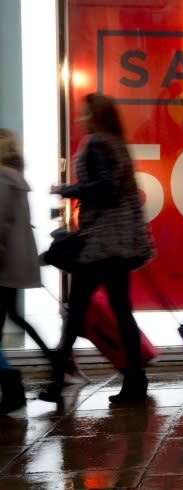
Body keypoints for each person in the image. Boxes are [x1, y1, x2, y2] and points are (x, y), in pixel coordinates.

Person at [40, 94, 154, 405]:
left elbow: (105, 189)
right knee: (115, 312)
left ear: (96, 116)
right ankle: (135, 380)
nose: (80, 119)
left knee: (77, 312)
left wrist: (66, 190)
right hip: (116, 244)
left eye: (84, 114)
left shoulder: (98, 144)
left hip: (101, 245)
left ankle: (59, 380)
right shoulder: (117, 144)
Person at [0, 128, 45, 414]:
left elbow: (0, 226)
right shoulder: (16, 177)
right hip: (11, 266)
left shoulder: (4, 179)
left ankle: (12, 384)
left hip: (2, 267)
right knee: (14, 317)